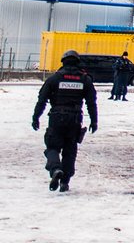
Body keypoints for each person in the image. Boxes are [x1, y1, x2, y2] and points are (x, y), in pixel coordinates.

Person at [32, 50, 98, 193]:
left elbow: (42, 100)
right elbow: (91, 102)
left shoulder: (54, 78)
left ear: (63, 62)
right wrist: (94, 121)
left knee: (52, 147)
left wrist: (36, 117)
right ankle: (65, 182)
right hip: (74, 119)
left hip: (56, 117)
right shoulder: (85, 79)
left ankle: (56, 168)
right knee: (70, 150)